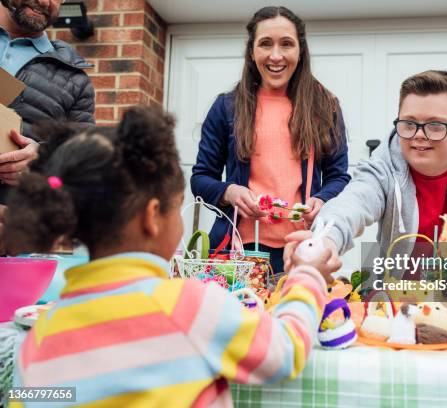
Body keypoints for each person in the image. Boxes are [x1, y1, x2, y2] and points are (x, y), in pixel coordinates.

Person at [4, 107, 339, 407]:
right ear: (152, 217)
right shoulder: (188, 307)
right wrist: (307, 274)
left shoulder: (39, 338)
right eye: (176, 208)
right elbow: (284, 351)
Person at [296, 70, 447, 275]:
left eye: (435, 125)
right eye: (409, 124)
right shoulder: (384, 164)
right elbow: (353, 202)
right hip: (396, 303)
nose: (419, 135)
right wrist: (323, 240)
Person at [191, 6, 350, 274]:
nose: (276, 55)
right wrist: (229, 191)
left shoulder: (325, 106)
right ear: (252, 52)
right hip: (237, 250)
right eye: (265, 44)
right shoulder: (226, 107)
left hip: (301, 251)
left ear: (300, 51)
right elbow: (201, 178)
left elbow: (339, 177)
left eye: (286, 44)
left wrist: (322, 199)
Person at [0, 0, 95, 204]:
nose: (45, 2)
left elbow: (83, 165)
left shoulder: (75, 80)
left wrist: (42, 163)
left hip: (14, 223)